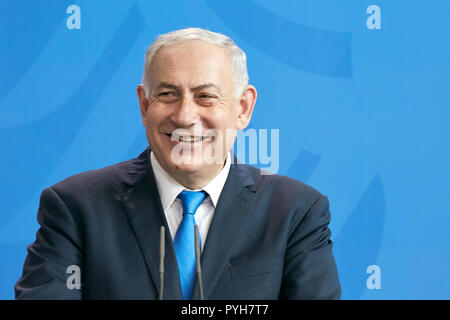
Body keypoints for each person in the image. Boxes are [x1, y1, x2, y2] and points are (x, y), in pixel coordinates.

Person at [15, 27, 341, 299]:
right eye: (168, 94)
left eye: (205, 96)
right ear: (144, 105)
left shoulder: (297, 212)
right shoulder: (75, 207)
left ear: (242, 108)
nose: (184, 116)